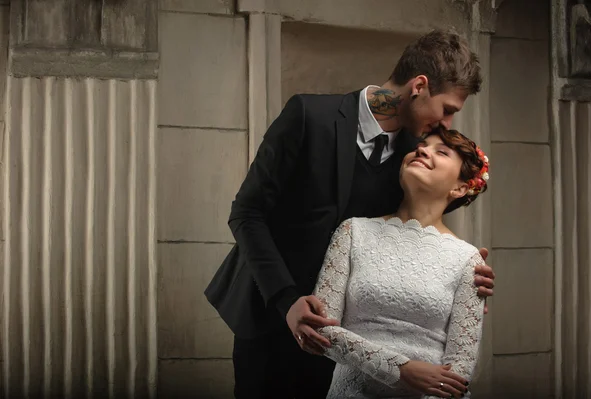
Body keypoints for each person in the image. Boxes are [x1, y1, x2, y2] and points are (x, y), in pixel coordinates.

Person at [204, 30, 496, 399]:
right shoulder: (309, 115)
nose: (447, 124)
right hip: (269, 315)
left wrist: (464, 277)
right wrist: (287, 300)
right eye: (448, 109)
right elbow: (246, 213)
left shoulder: (413, 156)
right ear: (419, 86)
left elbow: (405, 233)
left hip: (350, 342)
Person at [313, 128, 488, 399]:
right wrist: (399, 369)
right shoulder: (352, 232)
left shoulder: (469, 259)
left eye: (440, 152)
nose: (422, 151)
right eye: (422, 146)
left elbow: (460, 367)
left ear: (460, 188)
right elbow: (321, 329)